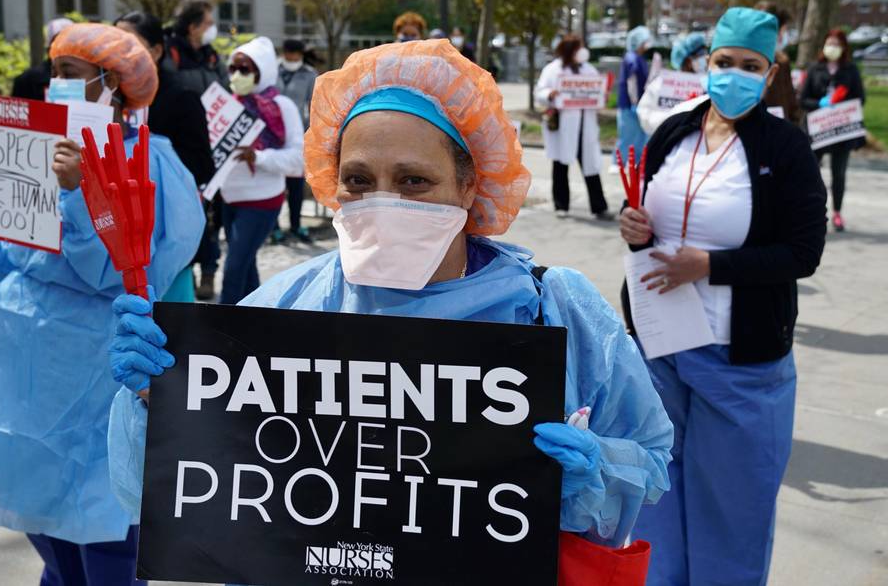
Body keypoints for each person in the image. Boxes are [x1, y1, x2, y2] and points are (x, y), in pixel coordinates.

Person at [104, 39, 673, 554]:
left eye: (413, 181)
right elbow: (175, 493)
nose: (382, 200)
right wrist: (160, 404)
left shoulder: (554, 308)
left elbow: (649, 457)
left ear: (469, 184)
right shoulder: (283, 310)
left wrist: (595, 471)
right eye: (356, 180)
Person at [0, 22, 205, 585]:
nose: (54, 83)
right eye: (53, 71)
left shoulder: (150, 163)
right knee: (44, 517)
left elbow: (124, 269)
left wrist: (83, 192)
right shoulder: (41, 153)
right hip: (29, 372)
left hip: (96, 371)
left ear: (114, 85)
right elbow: (16, 257)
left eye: (71, 74)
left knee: (107, 524)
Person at [619, 7, 827, 586]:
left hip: (740, 361)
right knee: (658, 498)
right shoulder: (675, 131)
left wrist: (709, 265)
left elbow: (802, 253)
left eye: (750, 65)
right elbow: (649, 215)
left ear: (770, 72)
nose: (734, 74)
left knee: (733, 512)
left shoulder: (784, 148)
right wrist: (636, 228)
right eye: (724, 61)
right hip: (661, 347)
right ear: (706, 62)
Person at [116, 11, 215, 302]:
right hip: (121, 238)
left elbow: (202, 165)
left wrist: (154, 165)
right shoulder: (109, 96)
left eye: (129, 44)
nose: (119, 53)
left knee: (170, 333)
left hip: (163, 235)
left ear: (156, 51)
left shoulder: (181, 96)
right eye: (115, 43)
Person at [218, 36, 305, 305]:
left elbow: (298, 160)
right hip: (228, 198)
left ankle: (218, 329)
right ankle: (255, 322)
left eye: (245, 69)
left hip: (262, 201)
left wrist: (258, 156)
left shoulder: (281, 107)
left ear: (262, 71)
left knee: (234, 269)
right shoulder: (224, 105)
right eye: (232, 69)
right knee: (246, 267)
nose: (237, 75)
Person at [166, 0, 228, 301]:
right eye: (207, 23)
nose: (211, 29)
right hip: (184, 149)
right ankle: (187, 271)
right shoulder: (171, 54)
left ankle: (209, 270)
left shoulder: (212, 57)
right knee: (186, 214)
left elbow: (225, 89)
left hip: (214, 146)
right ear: (192, 27)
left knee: (213, 215)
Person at [534, 35, 611, 220]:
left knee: (590, 166)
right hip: (564, 127)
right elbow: (539, 92)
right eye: (579, 48)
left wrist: (602, 96)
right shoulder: (552, 70)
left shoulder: (589, 69)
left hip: (586, 125)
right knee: (560, 165)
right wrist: (549, 94)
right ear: (570, 50)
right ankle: (561, 205)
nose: (583, 51)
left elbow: (598, 91)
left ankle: (599, 207)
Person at [799, 29, 866, 232]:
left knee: (839, 174)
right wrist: (820, 103)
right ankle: (812, 212)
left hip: (841, 131)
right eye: (829, 43)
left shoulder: (851, 70)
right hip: (816, 130)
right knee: (811, 173)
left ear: (844, 48)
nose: (832, 48)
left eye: (837, 44)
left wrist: (842, 104)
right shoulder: (814, 69)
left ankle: (837, 212)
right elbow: (802, 99)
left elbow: (860, 98)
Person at [276, 38, 319, 243]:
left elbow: (314, 104)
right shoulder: (273, 71)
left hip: (297, 134)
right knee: (274, 182)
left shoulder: (309, 75)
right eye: (288, 54)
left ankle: (295, 223)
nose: (291, 58)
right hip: (273, 133)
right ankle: (273, 226)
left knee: (295, 183)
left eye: (295, 55)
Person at [755, 1, 801, 125]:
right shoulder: (746, 60)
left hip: (779, 128)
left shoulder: (782, 60)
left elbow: (789, 99)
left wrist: (794, 124)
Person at [12, 17, 73, 101]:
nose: (64, 45)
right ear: (49, 47)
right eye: (58, 40)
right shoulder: (27, 81)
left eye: (70, 41)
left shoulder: (91, 78)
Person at [617, 25, 654, 158]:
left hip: (637, 103)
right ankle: (618, 162)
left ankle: (637, 164)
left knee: (638, 137)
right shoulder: (632, 58)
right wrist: (635, 102)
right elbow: (631, 82)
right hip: (629, 104)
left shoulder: (638, 58)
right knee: (627, 136)